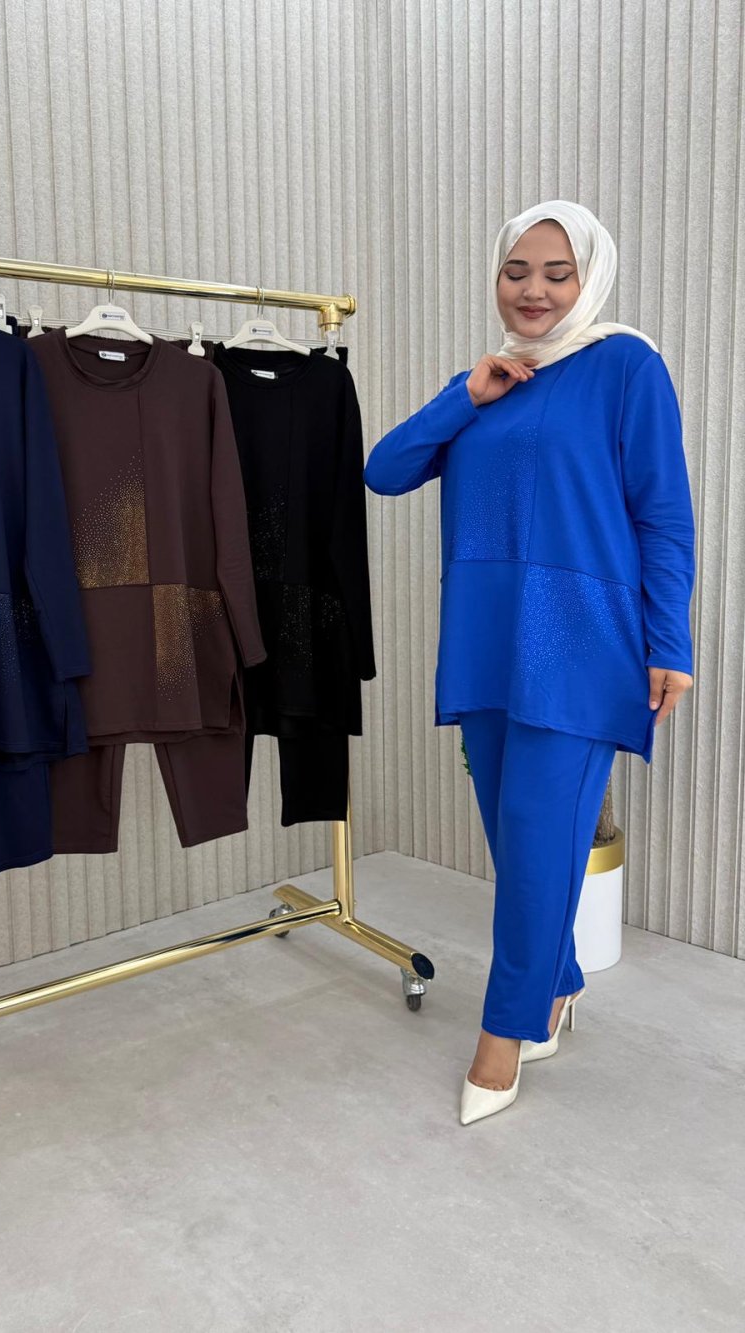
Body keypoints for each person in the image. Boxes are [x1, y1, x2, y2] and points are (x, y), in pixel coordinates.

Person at [364, 200, 696, 1124]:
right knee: (518, 844)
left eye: (557, 272)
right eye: (517, 271)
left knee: (542, 836)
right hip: (485, 636)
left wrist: (669, 641)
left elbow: (663, 514)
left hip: (582, 642)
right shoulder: (490, 380)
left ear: (590, 277)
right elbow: (384, 469)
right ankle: (559, 980)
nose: (534, 290)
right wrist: (464, 395)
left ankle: (505, 1034)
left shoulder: (626, 365)